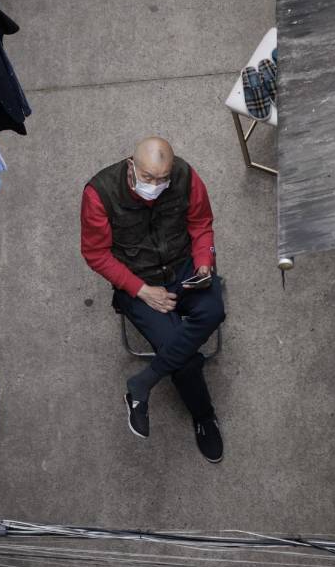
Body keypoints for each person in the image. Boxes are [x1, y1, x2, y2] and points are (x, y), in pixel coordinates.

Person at [80, 137, 226, 462]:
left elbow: (201, 224)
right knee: (186, 362)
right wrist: (141, 290)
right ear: (131, 166)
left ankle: (143, 382)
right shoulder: (99, 194)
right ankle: (204, 417)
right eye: (148, 178)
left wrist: (203, 262)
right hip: (139, 282)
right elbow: (96, 253)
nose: (157, 185)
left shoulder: (186, 176)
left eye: (164, 178)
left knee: (214, 310)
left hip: (183, 268)